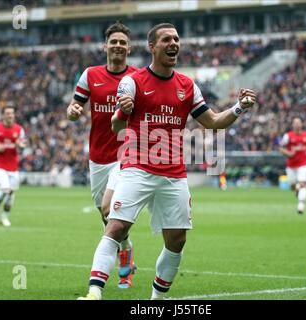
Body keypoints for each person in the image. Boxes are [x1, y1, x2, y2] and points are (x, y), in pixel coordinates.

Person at [77, 23, 256, 300]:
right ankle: (94, 292)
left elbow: (212, 122)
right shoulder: (133, 81)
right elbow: (115, 127)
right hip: (136, 168)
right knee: (116, 225)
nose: (174, 43)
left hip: (174, 173)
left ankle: (156, 300)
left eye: (176, 39)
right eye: (166, 39)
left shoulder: (187, 85)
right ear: (152, 47)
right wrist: (121, 114)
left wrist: (239, 107)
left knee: (177, 240)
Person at [67, 22, 138, 290]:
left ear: (129, 48)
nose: (118, 46)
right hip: (98, 155)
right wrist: (72, 111)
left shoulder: (137, 77)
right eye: (114, 42)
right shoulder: (91, 75)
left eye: (123, 42)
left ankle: (99, 284)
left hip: (127, 154)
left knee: (111, 209)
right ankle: (126, 248)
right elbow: (75, 105)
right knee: (105, 216)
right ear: (105, 46)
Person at [0, 106, 27, 227]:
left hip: (13, 166)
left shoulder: (19, 129)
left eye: (12, 113)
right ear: (3, 115)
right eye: (7, 113)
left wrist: (20, 144)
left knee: (11, 193)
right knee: (6, 189)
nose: (10, 115)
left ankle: (4, 216)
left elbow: (23, 143)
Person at [279, 117, 306, 214]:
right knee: (293, 186)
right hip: (291, 165)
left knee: (302, 183)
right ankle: (297, 190)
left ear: (302, 124)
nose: (297, 125)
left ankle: (301, 206)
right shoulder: (288, 136)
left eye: (299, 123)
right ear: (293, 125)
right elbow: (281, 148)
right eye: (295, 123)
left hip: (303, 164)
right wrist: (288, 153)